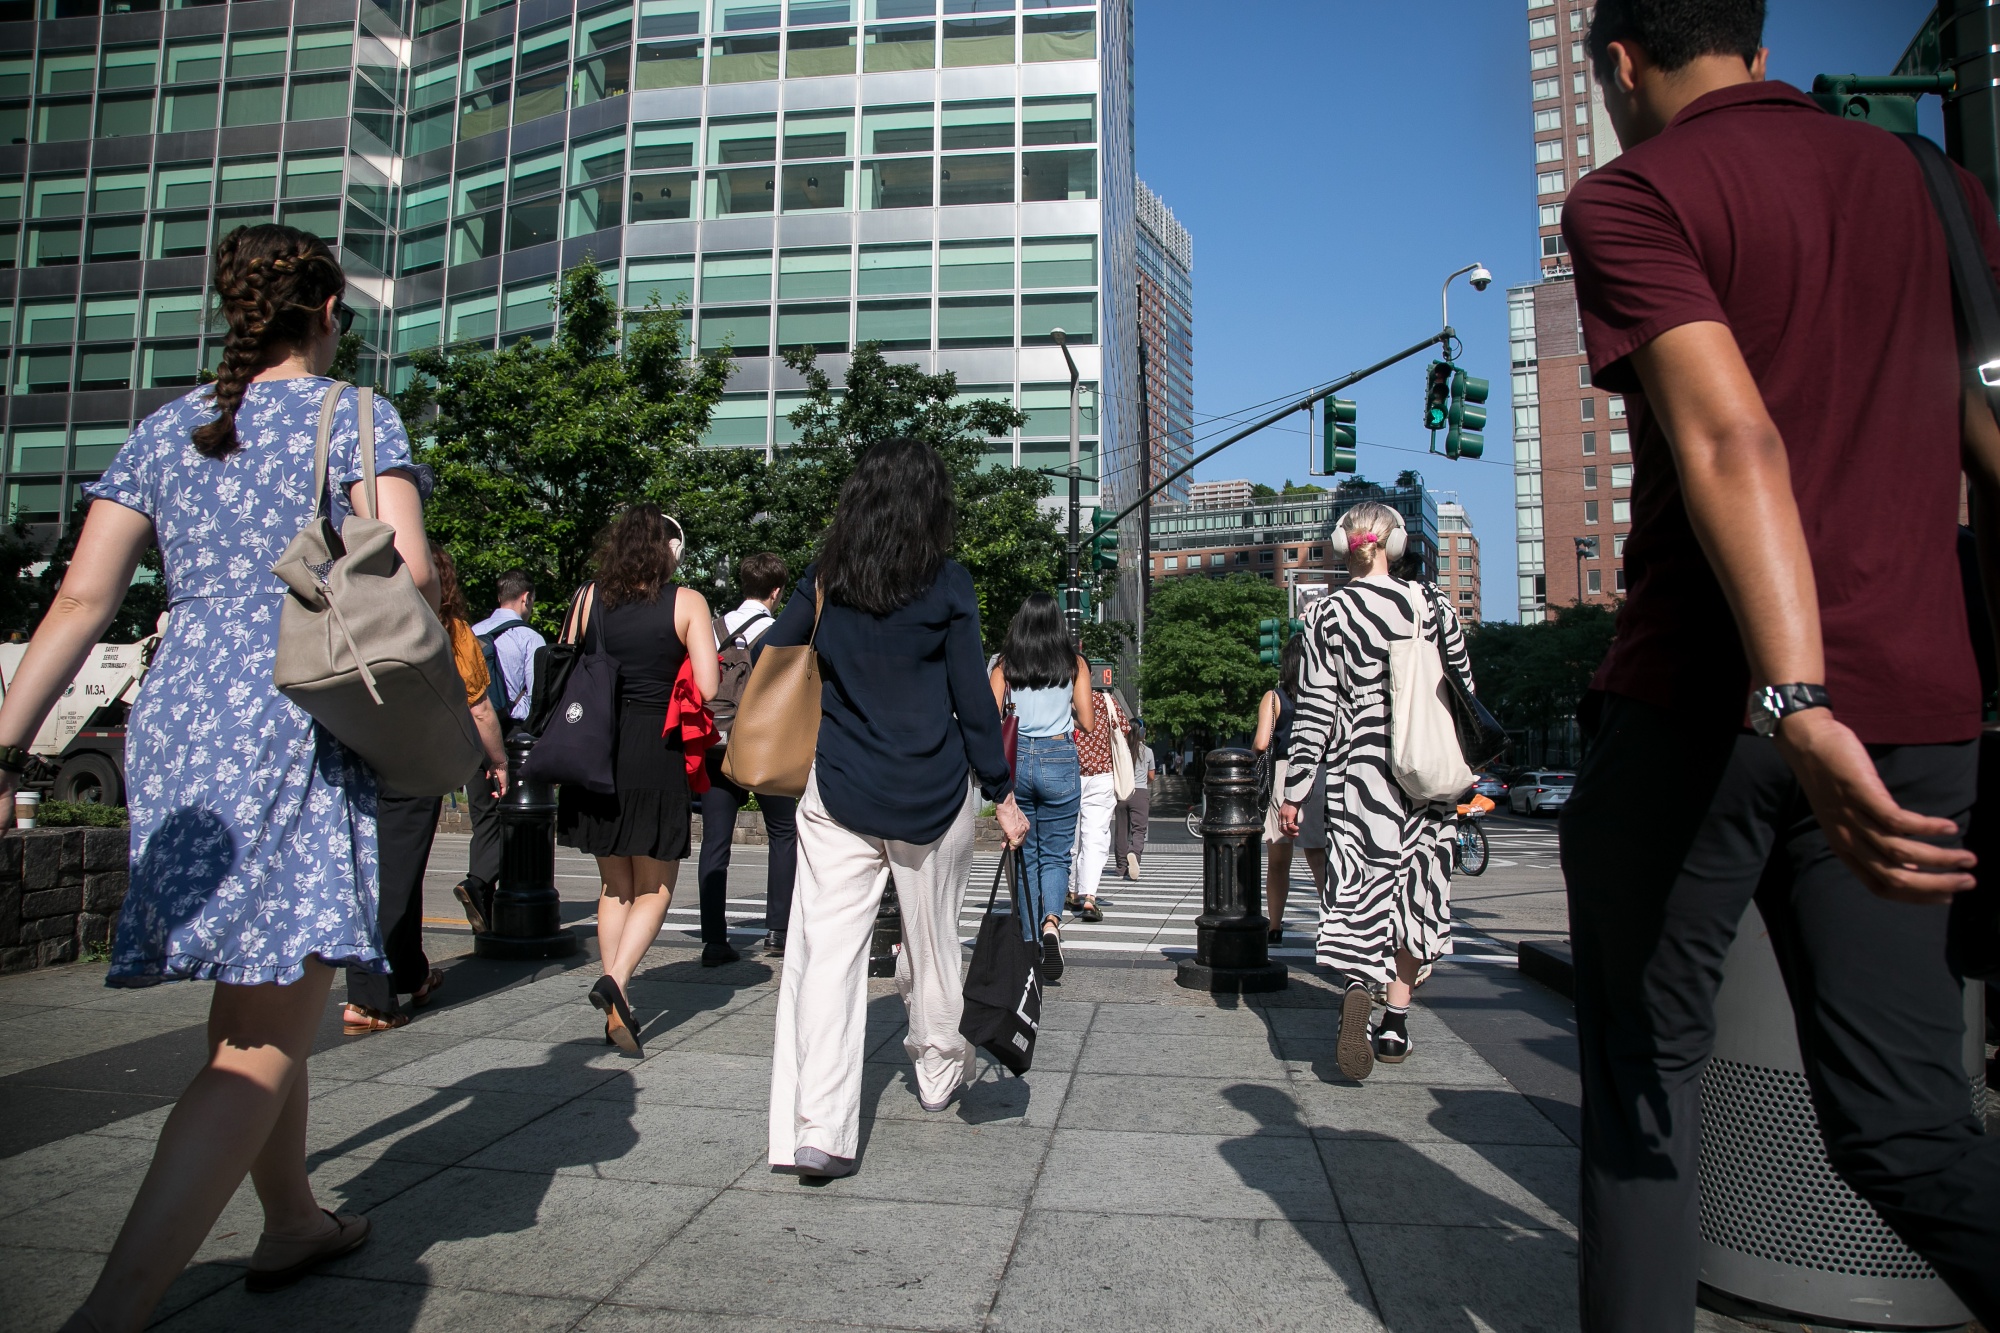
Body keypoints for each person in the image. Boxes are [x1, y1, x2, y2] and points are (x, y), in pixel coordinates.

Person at [1556, 2, 2000, 1325]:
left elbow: (1730, 439)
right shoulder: (1937, 189)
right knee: (1907, 1125)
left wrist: (1794, 696)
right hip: (1917, 714)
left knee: (1645, 1085)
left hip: (1702, 703)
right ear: (1755, 44)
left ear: (1620, 63)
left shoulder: (1636, 194)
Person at [0, 225, 432, 1330]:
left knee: (257, 990)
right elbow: (412, 573)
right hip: (297, 707)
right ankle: (113, 1308)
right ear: (327, 310)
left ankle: (292, 1218)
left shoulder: (165, 426)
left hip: (183, 718)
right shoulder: (355, 414)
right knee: (260, 1036)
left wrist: (6, 750)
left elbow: (80, 601)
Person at [764, 438, 1027, 1179]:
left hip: (840, 788)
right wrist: (1001, 790)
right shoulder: (949, 582)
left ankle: (820, 1130)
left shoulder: (827, 577)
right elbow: (973, 699)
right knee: (935, 942)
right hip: (931, 791)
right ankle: (939, 1071)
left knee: (827, 957)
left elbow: (778, 651)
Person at [1281, 502, 1471, 1081]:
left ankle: (1359, 983)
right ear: (1396, 544)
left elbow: (1314, 709)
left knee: (1360, 887)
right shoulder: (1434, 605)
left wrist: (1295, 790)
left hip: (1360, 770)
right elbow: (1463, 691)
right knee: (1419, 888)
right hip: (1427, 770)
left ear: (1344, 546)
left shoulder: (1326, 614)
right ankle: (1395, 1022)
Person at [557, 506, 719, 1056]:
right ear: (667, 550)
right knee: (655, 883)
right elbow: (708, 686)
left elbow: (565, 661)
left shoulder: (587, 597)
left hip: (596, 745)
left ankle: (616, 1002)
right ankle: (617, 981)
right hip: (655, 747)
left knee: (613, 885)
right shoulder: (687, 602)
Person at [342, 543, 510, 1034]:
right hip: (413, 760)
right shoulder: (446, 629)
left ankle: (411, 973)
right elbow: (479, 707)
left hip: (359, 753)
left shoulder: (365, 617)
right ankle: (368, 998)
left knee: (392, 869)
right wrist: (498, 761)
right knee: (394, 878)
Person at [698, 551, 799, 961]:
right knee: (783, 832)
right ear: (776, 592)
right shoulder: (779, 633)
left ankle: (714, 940)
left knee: (715, 840)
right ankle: (778, 931)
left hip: (716, 740)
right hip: (762, 746)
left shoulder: (712, 629)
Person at [990, 593, 1092, 978]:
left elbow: (988, 717)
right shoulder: (1073, 663)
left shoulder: (1006, 664)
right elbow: (1087, 721)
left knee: (1024, 854)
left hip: (1017, 759)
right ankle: (1051, 923)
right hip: (1059, 757)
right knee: (1056, 854)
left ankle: (1031, 942)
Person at [457, 570, 545, 932]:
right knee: (516, 820)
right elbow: (536, 697)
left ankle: (486, 907)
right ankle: (478, 884)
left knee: (484, 818)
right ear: (526, 598)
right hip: (510, 736)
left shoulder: (471, 632)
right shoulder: (530, 639)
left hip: (471, 733)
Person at [1254, 637, 1329, 945]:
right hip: (1319, 773)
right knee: (1318, 855)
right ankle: (1331, 924)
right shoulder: (1324, 697)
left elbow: (1261, 743)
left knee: (1278, 859)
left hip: (1284, 775)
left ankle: (1274, 926)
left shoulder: (1274, 698)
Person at [1068, 684, 1130, 922]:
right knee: (1095, 836)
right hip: (1102, 775)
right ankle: (1089, 897)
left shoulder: (1063, 698)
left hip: (1069, 773)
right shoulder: (1106, 700)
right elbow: (1124, 729)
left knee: (1071, 836)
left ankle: (1072, 890)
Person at [1113, 720, 1154, 880]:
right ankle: (1134, 853)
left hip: (1122, 793)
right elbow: (1151, 776)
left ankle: (1121, 867)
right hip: (1140, 792)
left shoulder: (1119, 749)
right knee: (1139, 829)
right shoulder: (1147, 751)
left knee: (1121, 830)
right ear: (1142, 732)